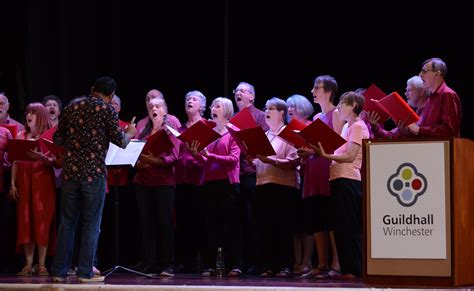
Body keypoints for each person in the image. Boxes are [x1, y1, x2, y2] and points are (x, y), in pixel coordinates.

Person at [51, 76, 136, 283]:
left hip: (70, 174)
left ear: (92, 89)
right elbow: (120, 142)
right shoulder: (107, 110)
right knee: (91, 223)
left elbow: (57, 138)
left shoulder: (72, 107)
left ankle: (58, 272)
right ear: (111, 95)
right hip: (94, 174)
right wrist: (130, 133)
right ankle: (85, 272)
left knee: (67, 224)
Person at [313, 91, 370, 279]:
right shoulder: (347, 127)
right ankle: (347, 269)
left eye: (342, 104)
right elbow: (339, 150)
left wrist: (326, 156)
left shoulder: (358, 126)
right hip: (338, 179)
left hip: (349, 180)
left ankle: (355, 269)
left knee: (350, 226)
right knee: (340, 226)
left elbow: (350, 156)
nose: (338, 107)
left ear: (353, 105)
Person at [188, 97, 243, 277]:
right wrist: (197, 155)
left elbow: (233, 160)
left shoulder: (234, 131)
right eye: (212, 106)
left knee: (230, 226)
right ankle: (209, 265)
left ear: (226, 110)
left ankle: (234, 264)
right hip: (210, 183)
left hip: (228, 184)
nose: (213, 108)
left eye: (217, 106)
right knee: (210, 226)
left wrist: (209, 155)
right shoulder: (209, 132)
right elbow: (205, 161)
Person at [252, 97, 300, 278]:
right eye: (266, 108)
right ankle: (268, 265)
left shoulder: (289, 134)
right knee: (266, 228)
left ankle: (286, 265)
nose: (267, 111)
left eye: (271, 108)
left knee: (283, 228)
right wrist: (254, 160)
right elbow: (260, 163)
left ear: (282, 113)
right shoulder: (264, 136)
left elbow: (294, 161)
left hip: (284, 188)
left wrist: (269, 160)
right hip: (264, 185)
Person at [10, 102, 59, 276]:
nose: (29, 116)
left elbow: (56, 162)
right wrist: (13, 183)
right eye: (27, 112)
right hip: (24, 181)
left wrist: (43, 158)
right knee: (25, 221)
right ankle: (28, 264)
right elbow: (15, 160)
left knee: (42, 221)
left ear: (41, 116)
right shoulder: (22, 135)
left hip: (42, 181)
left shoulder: (48, 137)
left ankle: (42, 264)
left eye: (33, 113)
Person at [132, 97, 178, 277]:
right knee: (146, 223)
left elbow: (175, 156)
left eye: (158, 106)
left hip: (163, 182)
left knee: (164, 223)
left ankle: (166, 264)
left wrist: (157, 160)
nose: (154, 109)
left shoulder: (170, 131)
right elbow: (133, 154)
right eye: (151, 106)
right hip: (143, 181)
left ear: (165, 111)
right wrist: (137, 163)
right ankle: (149, 262)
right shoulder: (142, 131)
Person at [233, 81, 269, 275]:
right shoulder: (232, 117)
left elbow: (266, 139)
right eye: (236, 91)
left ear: (252, 97)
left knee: (255, 218)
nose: (238, 93)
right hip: (236, 175)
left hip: (254, 173)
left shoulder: (260, 116)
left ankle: (257, 261)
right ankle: (243, 262)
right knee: (241, 220)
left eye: (243, 91)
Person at [173, 90, 207, 273]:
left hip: (199, 179)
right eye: (187, 99)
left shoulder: (206, 126)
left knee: (198, 220)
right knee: (182, 221)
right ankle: (184, 259)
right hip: (181, 179)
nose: (189, 101)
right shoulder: (180, 129)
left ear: (201, 105)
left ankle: (197, 259)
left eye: (193, 99)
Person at [285, 94, 315, 276]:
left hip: (309, 177)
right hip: (294, 178)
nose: (289, 110)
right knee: (295, 224)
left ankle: (307, 261)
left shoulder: (311, 126)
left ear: (302, 108)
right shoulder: (288, 129)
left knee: (308, 223)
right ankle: (296, 261)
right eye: (288, 107)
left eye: (293, 106)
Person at [406, 57, 462, 137]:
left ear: (437, 74)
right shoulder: (429, 100)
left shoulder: (448, 94)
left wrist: (419, 129)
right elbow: (421, 130)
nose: (420, 75)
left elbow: (449, 130)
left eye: (424, 71)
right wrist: (407, 130)